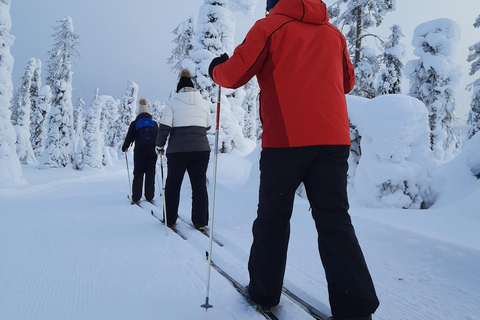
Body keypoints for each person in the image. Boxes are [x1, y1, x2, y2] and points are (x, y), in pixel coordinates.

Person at [208, 0, 379, 319]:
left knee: (273, 216)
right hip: (333, 141)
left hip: (287, 140)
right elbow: (347, 83)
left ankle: (263, 290)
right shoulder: (333, 33)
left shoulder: (269, 27)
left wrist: (216, 67)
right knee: (335, 219)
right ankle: (355, 308)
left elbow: (233, 76)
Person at [155, 69, 212, 230]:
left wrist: (159, 145)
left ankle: (170, 219)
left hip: (177, 151)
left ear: (179, 88)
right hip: (201, 150)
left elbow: (164, 127)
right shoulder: (203, 102)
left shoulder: (173, 102)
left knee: (173, 183)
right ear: (192, 87)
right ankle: (201, 221)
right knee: (199, 184)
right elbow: (208, 125)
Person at [122, 98, 158, 204]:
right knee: (150, 172)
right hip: (152, 151)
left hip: (139, 151)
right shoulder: (154, 123)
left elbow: (129, 137)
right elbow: (159, 137)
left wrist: (125, 147)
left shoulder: (135, 123)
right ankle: (149, 196)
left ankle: (136, 197)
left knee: (138, 173)